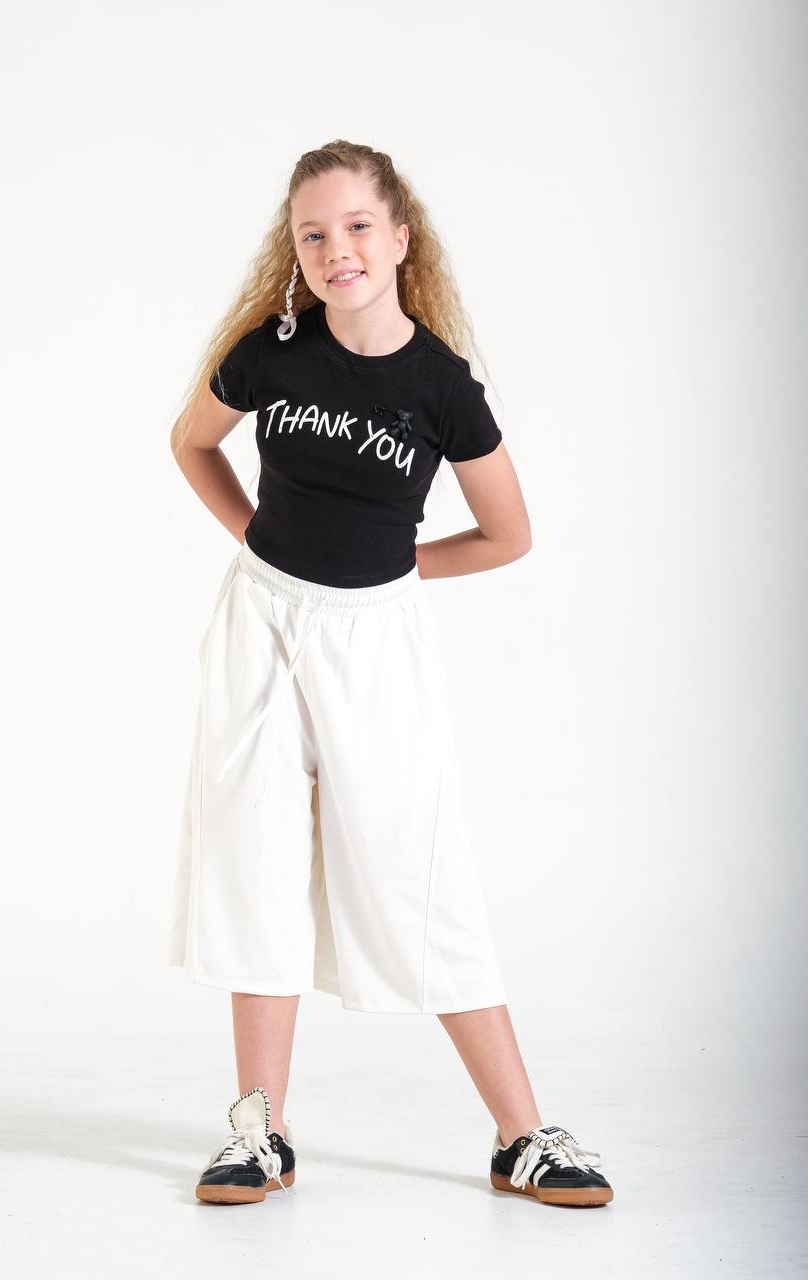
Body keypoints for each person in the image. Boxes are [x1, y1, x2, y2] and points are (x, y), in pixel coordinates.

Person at [167, 139, 614, 1209]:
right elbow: (191, 443)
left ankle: (520, 1135)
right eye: (314, 234)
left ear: (402, 238)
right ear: (295, 249)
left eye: (358, 226)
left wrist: (399, 569)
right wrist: (257, 542)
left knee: (420, 873)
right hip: (260, 628)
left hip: (374, 645)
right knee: (256, 861)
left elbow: (506, 533)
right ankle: (259, 1131)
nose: (338, 250)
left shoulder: (441, 386)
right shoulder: (270, 352)